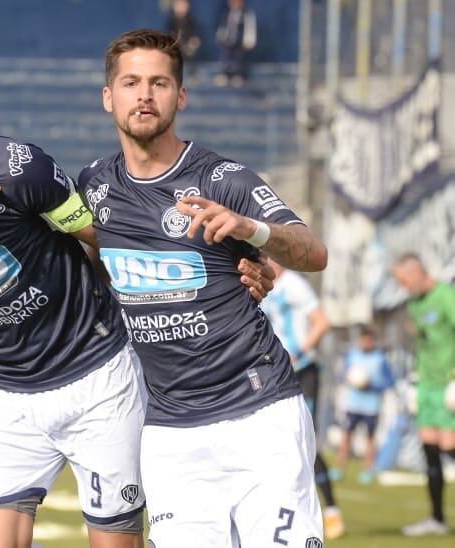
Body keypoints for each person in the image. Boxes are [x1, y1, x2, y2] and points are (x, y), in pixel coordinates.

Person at [0, 92, 277, 548]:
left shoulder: (11, 172)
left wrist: (234, 260)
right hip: (7, 391)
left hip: (98, 377)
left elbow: (103, 234)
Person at [77, 29, 328, 546]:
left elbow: (313, 251)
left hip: (259, 413)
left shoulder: (223, 179)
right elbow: (102, 265)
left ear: (180, 96)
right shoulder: (93, 186)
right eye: (130, 82)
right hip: (170, 430)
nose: (144, 94)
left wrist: (249, 231)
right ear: (109, 97)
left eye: (159, 83)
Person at [260, 259, 345, 540]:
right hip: (276, 373)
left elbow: (322, 322)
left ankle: (331, 511)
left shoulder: (293, 285)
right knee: (274, 442)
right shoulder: (263, 284)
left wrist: (298, 349)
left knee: (305, 442)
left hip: (303, 371)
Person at [392, 253, 455, 537]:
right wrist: (415, 382)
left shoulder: (445, 296)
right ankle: (438, 519)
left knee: (449, 445)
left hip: (448, 383)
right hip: (427, 385)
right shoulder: (414, 304)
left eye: (405, 281)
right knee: (430, 449)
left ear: (416, 272)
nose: (404, 288)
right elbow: (423, 344)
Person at [330, 325, 395, 485]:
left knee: (370, 437)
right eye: (363, 340)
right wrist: (350, 379)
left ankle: (367, 469)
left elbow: (389, 381)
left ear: (372, 341)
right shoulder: (352, 355)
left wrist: (372, 385)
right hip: (353, 404)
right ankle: (339, 467)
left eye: (368, 341)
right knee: (347, 434)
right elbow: (343, 374)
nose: (365, 343)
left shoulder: (380, 358)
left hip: (371, 405)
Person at [214, 0, 256, 87]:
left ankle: (239, 74)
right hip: (229, 40)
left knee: (239, 54)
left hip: (241, 42)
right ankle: (224, 73)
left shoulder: (247, 14)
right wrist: (221, 37)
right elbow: (223, 27)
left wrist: (249, 41)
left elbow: (250, 29)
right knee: (225, 53)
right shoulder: (226, 13)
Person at [165, 0, 200, 82]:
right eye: (178, 5)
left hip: (188, 45)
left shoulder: (191, 20)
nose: (180, 8)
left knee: (190, 52)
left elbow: (195, 34)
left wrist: (193, 41)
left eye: (183, 5)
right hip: (177, 43)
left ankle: (193, 75)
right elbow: (169, 33)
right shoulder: (171, 21)